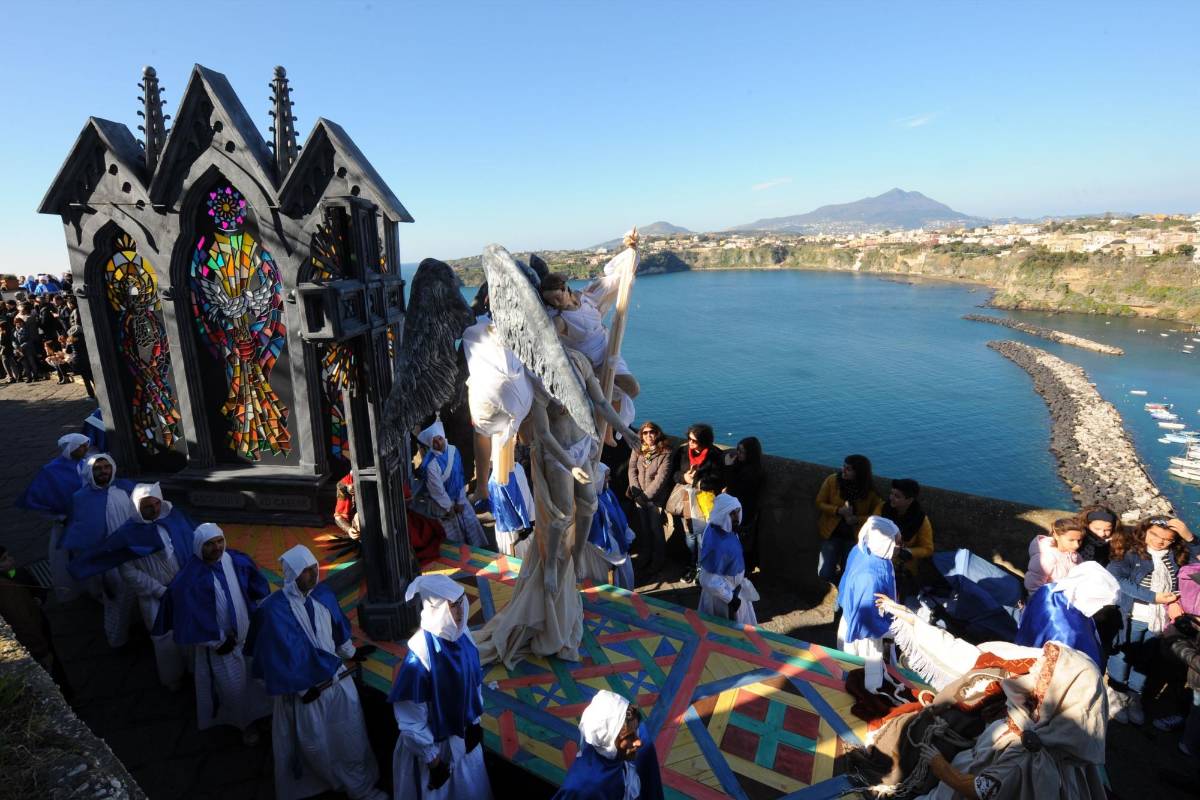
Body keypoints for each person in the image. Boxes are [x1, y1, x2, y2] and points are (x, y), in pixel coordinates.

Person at [866, 595, 1109, 800]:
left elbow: (980, 789)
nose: (1036, 667)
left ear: (1060, 690)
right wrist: (913, 622)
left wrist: (939, 764)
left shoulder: (1027, 754)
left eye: (1044, 669)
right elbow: (963, 654)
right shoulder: (1070, 739)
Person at [246, 545, 384, 800]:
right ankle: (325, 782)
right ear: (291, 574)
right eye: (305, 571)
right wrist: (299, 688)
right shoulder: (272, 611)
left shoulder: (324, 595)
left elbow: (338, 627)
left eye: (313, 569)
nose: (312, 575)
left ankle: (360, 786)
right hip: (305, 695)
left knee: (349, 736)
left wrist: (350, 652)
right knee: (316, 744)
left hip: (336, 682)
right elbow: (272, 657)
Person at [154, 523, 271, 744]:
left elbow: (256, 590)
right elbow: (188, 616)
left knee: (256, 682)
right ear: (199, 547)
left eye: (219, 541)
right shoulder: (189, 579)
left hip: (248, 639)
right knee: (233, 689)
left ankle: (262, 714)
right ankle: (244, 725)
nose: (217, 548)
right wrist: (216, 641)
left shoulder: (236, 561)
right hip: (221, 646)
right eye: (209, 544)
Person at [389, 574, 491, 799]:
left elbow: (474, 681)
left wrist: (474, 722)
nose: (460, 612)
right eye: (452, 607)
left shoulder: (463, 636)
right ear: (437, 609)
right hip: (436, 751)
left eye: (460, 604)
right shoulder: (420, 656)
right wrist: (434, 762)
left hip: (462, 741)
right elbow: (411, 720)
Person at [1107, 515, 1200, 726]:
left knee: (1145, 657)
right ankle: (1116, 693)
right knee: (1124, 653)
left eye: (1167, 539)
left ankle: (1135, 696)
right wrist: (1154, 597)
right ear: (1144, 532)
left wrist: (1190, 537)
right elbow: (1116, 578)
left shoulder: (1176, 556)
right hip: (1133, 614)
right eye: (1155, 535)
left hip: (1161, 618)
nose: (1159, 542)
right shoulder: (1130, 552)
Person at [113, 484, 196, 689]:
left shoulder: (173, 523)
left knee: (188, 629)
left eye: (157, 504)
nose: (154, 510)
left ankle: (193, 670)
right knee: (164, 639)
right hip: (155, 596)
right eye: (148, 506)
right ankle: (172, 678)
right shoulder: (127, 535)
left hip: (180, 589)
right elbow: (128, 571)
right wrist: (158, 590)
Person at [539, 270, 640, 427]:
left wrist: (631, 262)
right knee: (625, 389)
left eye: (558, 298)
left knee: (632, 390)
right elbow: (545, 338)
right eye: (551, 302)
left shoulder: (585, 297)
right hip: (595, 362)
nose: (556, 304)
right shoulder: (559, 319)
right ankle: (606, 428)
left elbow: (614, 279)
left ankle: (608, 428)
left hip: (610, 349)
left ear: (566, 288)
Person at [62, 453, 137, 646]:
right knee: (116, 600)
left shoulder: (126, 487)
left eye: (106, 467)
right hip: (108, 558)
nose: (104, 471)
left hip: (134, 551)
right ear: (89, 472)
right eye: (98, 468)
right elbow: (80, 533)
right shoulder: (81, 498)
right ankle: (117, 640)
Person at [16, 433, 92, 600]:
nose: (85, 449)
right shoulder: (51, 471)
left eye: (86, 445)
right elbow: (41, 501)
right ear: (71, 448)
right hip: (66, 523)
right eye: (81, 446)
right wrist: (59, 518)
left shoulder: (88, 462)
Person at [552, 690, 664, 800]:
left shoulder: (635, 734)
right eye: (630, 737)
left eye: (637, 730)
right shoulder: (584, 788)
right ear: (609, 742)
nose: (639, 742)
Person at [1015, 560, 1121, 666]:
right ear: (1092, 600)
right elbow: (1086, 668)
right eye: (1104, 606)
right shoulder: (1072, 632)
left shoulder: (1049, 590)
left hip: (1022, 654)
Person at [836, 517, 900, 685]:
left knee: (849, 672)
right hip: (867, 638)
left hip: (850, 621)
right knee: (867, 678)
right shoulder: (870, 577)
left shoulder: (861, 550)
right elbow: (867, 621)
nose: (898, 548)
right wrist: (894, 631)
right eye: (896, 544)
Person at [416, 419, 488, 548]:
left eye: (439, 439)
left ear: (443, 437)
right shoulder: (430, 465)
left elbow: (459, 475)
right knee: (454, 538)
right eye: (434, 442)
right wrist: (449, 507)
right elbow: (437, 491)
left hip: (458, 496)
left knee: (471, 525)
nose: (438, 442)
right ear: (431, 445)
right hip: (442, 504)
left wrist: (460, 501)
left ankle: (478, 552)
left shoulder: (453, 450)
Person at [668, 423, 724, 583]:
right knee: (690, 536)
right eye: (689, 439)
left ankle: (701, 569)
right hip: (686, 500)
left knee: (703, 538)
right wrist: (684, 477)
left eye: (694, 440)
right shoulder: (683, 452)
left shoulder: (715, 455)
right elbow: (674, 474)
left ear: (704, 441)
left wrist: (698, 482)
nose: (690, 443)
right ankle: (691, 566)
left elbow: (719, 480)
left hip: (704, 503)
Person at [815, 454, 879, 584]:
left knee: (848, 572)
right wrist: (838, 511)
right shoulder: (833, 481)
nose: (843, 470)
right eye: (843, 466)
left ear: (859, 472)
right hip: (832, 534)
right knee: (824, 572)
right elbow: (819, 502)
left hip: (854, 538)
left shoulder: (870, 492)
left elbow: (877, 515)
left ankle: (841, 598)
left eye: (848, 469)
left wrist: (857, 519)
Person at [697, 493, 759, 624]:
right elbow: (707, 579)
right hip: (722, 597)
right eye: (732, 514)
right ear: (722, 514)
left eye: (738, 512)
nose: (737, 517)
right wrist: (730, 598)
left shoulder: (723, 527)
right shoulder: (716, 544)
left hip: (734, 587)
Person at [626, 421, 673, 575]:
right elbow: (632, 470)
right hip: (639, 496)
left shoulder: (665, 452)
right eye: (645, 433)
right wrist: (637, 492)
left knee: (656, 530)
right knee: (644, 529)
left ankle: (658, 560)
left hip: (655, 499)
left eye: (651, 432)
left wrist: (645, 497)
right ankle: (645, 556)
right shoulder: (638, 449)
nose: (648, 436)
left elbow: (661, 478)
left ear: (657, 432)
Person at [580, 464, 636, 590]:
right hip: (602, 556)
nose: (608, 479)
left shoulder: (607, 493)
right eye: (605, 477)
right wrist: (615, 555)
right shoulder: (591, 504)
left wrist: (626, 538)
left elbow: (619, 516)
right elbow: (595, 537)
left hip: (618, 548)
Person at [872, 478, 932, 593]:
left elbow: (928, 549)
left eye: (897, 496)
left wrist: (908, 552)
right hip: (879, 563)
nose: (891, 498)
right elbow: (871, 529)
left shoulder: (921, 520)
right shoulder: (882, 508)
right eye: (891, 494)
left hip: (902, 569)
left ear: (909, 500)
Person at [723, 436, 765, 573]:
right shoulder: (743, 466)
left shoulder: (753, 473)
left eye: (741, 452)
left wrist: (728, 467)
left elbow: (736, 489)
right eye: (738, 450)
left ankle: (741, 572)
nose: (738, 454)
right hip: (740, 511)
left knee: (741, 545)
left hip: (745, 513)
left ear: (750, 454)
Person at [1023, 516, 1084, 593]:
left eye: (1079, 540)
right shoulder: (1046, 558)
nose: (1076, 545)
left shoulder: (1074, 554)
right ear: (1056, 535)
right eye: (1071, 540)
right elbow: (1033, 588)